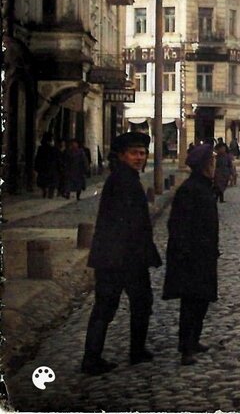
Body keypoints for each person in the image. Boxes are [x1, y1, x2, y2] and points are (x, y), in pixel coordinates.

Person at [82, 131, 162, 375]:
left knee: (136, 303)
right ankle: (95, 358)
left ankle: (133, 351)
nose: (139, 157)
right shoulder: (122, 181)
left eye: (142, 153)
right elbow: (126, 224)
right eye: (134, 153)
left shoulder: (126, 178)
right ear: (121, 155)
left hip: (121, 257)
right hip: (120, 259)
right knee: (110, 307)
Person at [163, 142, 220, 366]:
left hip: (205, 254)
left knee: (203, 299)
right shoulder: (190, 190)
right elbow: (177, 226)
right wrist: (186, 252)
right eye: (212, 162)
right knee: (191, 302)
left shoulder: (205, 186)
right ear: (205, 166)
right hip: (192, 256)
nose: (214, 165)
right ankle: (186, 347)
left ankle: (194, 340)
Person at [35, 133, 60, 199]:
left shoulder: (41, 148)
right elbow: (58, 159)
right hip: (51, 168)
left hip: (44, 168)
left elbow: (37, 158)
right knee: (51, 182)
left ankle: (45, 191)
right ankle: (49, 194)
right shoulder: (54, 149)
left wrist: (37, 167)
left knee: (44, 182)